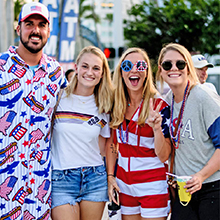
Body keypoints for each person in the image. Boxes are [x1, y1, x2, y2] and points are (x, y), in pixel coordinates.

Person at [0, 2, 66, 219]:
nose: (35, 30)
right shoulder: (1, 66)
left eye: (41, 25)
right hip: (4, 184)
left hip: (40, 188)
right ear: (18, 28)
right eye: (29, 24)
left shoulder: (56, 74)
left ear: (48, 31)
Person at [157, 43, 220, 220]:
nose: (174, 68)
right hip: (184, 190)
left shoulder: (202, 96)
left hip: (212, 187)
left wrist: (201, 176)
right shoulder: (167, 102)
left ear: (188, 67)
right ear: (161, 70)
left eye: (180, 64)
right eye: (168, 65)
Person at [106, 47, 171, 220]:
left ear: (147, 71)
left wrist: (157, 128)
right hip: (124, 185)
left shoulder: (159, 106)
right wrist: (110, 176)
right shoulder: (116, 104)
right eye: (127, 65)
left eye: (140, 65)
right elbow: (112, 143)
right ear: (121, 72)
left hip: (152, 184)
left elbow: (164, 155)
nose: (134, 70)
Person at [51, 46, 113, 220]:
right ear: (76, 67)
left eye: (96, 68)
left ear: (102, 73)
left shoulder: (105, 105)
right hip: (61, 179)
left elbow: (104, 147)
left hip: (95, 178)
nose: (89, 72)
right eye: (85, 66)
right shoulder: (58, 98)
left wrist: (110, 177)